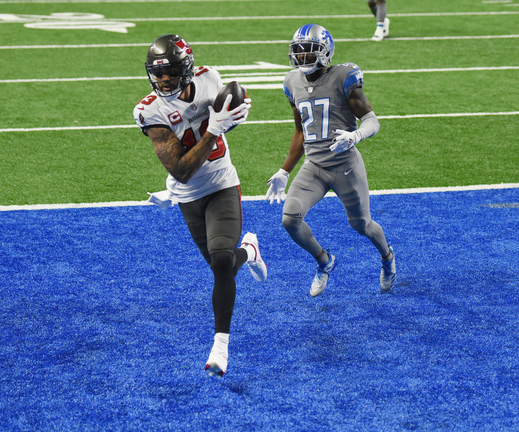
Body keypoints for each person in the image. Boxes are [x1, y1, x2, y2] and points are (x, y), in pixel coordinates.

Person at [133, 34, 267, 377]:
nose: (163, 79)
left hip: (223, 183)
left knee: (222, 262)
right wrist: (214, 129)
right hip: (188, 195)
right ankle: (250, 251)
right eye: (157, 73)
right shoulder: (150, 110)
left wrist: (232, 119)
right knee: (221, 266)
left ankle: (220, 346)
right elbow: (181, 169)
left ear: (188, 69)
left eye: (171, 72)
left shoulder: (211, 79)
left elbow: (223, 124)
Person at [265, 24, 396, 296]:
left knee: (361, 224)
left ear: (326, 53)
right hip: (314, 166)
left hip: (345, 165)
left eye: (309, 52)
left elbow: (372, 119)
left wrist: (356, 135)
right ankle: (325, 261)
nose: (302, 57)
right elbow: (301, 131)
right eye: (298, 52)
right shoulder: (291, 82)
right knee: (289, 219)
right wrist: (284, 171)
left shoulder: (344, 76)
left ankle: (387, 258)